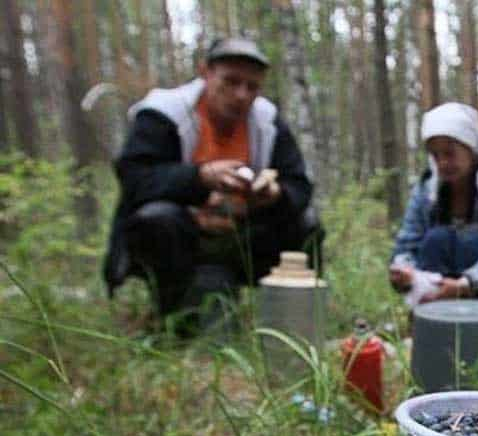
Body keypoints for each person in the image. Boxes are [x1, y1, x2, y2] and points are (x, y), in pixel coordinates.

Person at [103, 38, 322, 333]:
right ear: (205, 72)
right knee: (156, 219)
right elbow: (134, 177)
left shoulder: (267, 121)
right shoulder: (165, 113)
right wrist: (199, 178)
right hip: (182, 236)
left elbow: (298, 184)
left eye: (252, 86)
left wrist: (274, 196)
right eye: (230, 82)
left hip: (245, 235)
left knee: (307, 222)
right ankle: (170, 316)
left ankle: (295, 320)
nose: (241, 95)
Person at [388, 102, 478, 306]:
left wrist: (466, 284)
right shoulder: (427, 191)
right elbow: (406, 246)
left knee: (468, 239)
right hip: (438, 293)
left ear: (470, 149)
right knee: (437, 239)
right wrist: (404, 272)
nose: (442, 162)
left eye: (450, 153)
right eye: (436, 155)